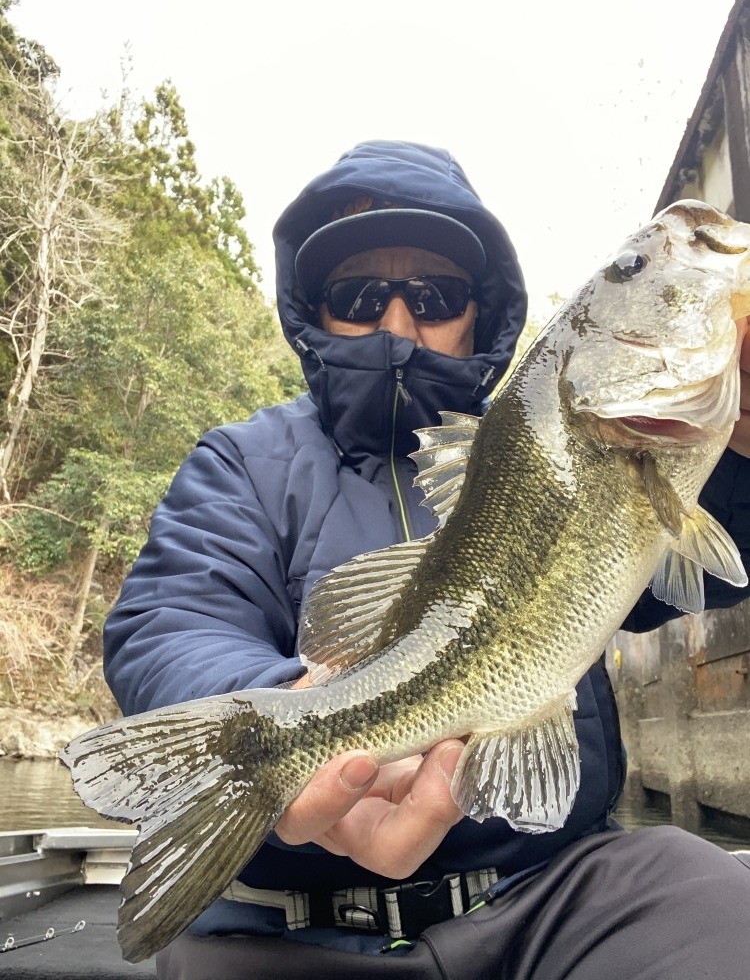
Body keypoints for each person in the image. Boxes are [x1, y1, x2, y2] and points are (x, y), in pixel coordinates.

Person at [103, 140, 750, 980]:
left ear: (480, 308)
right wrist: (288, 710)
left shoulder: (548, 441)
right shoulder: (243, 463)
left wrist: (742, 460)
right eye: (360, 295)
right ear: (315, 309)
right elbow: (169, 622)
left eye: (436, 294)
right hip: (287, 924)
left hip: (548, 890)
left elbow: (696, 570)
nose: (398, 323)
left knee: (715, 906)